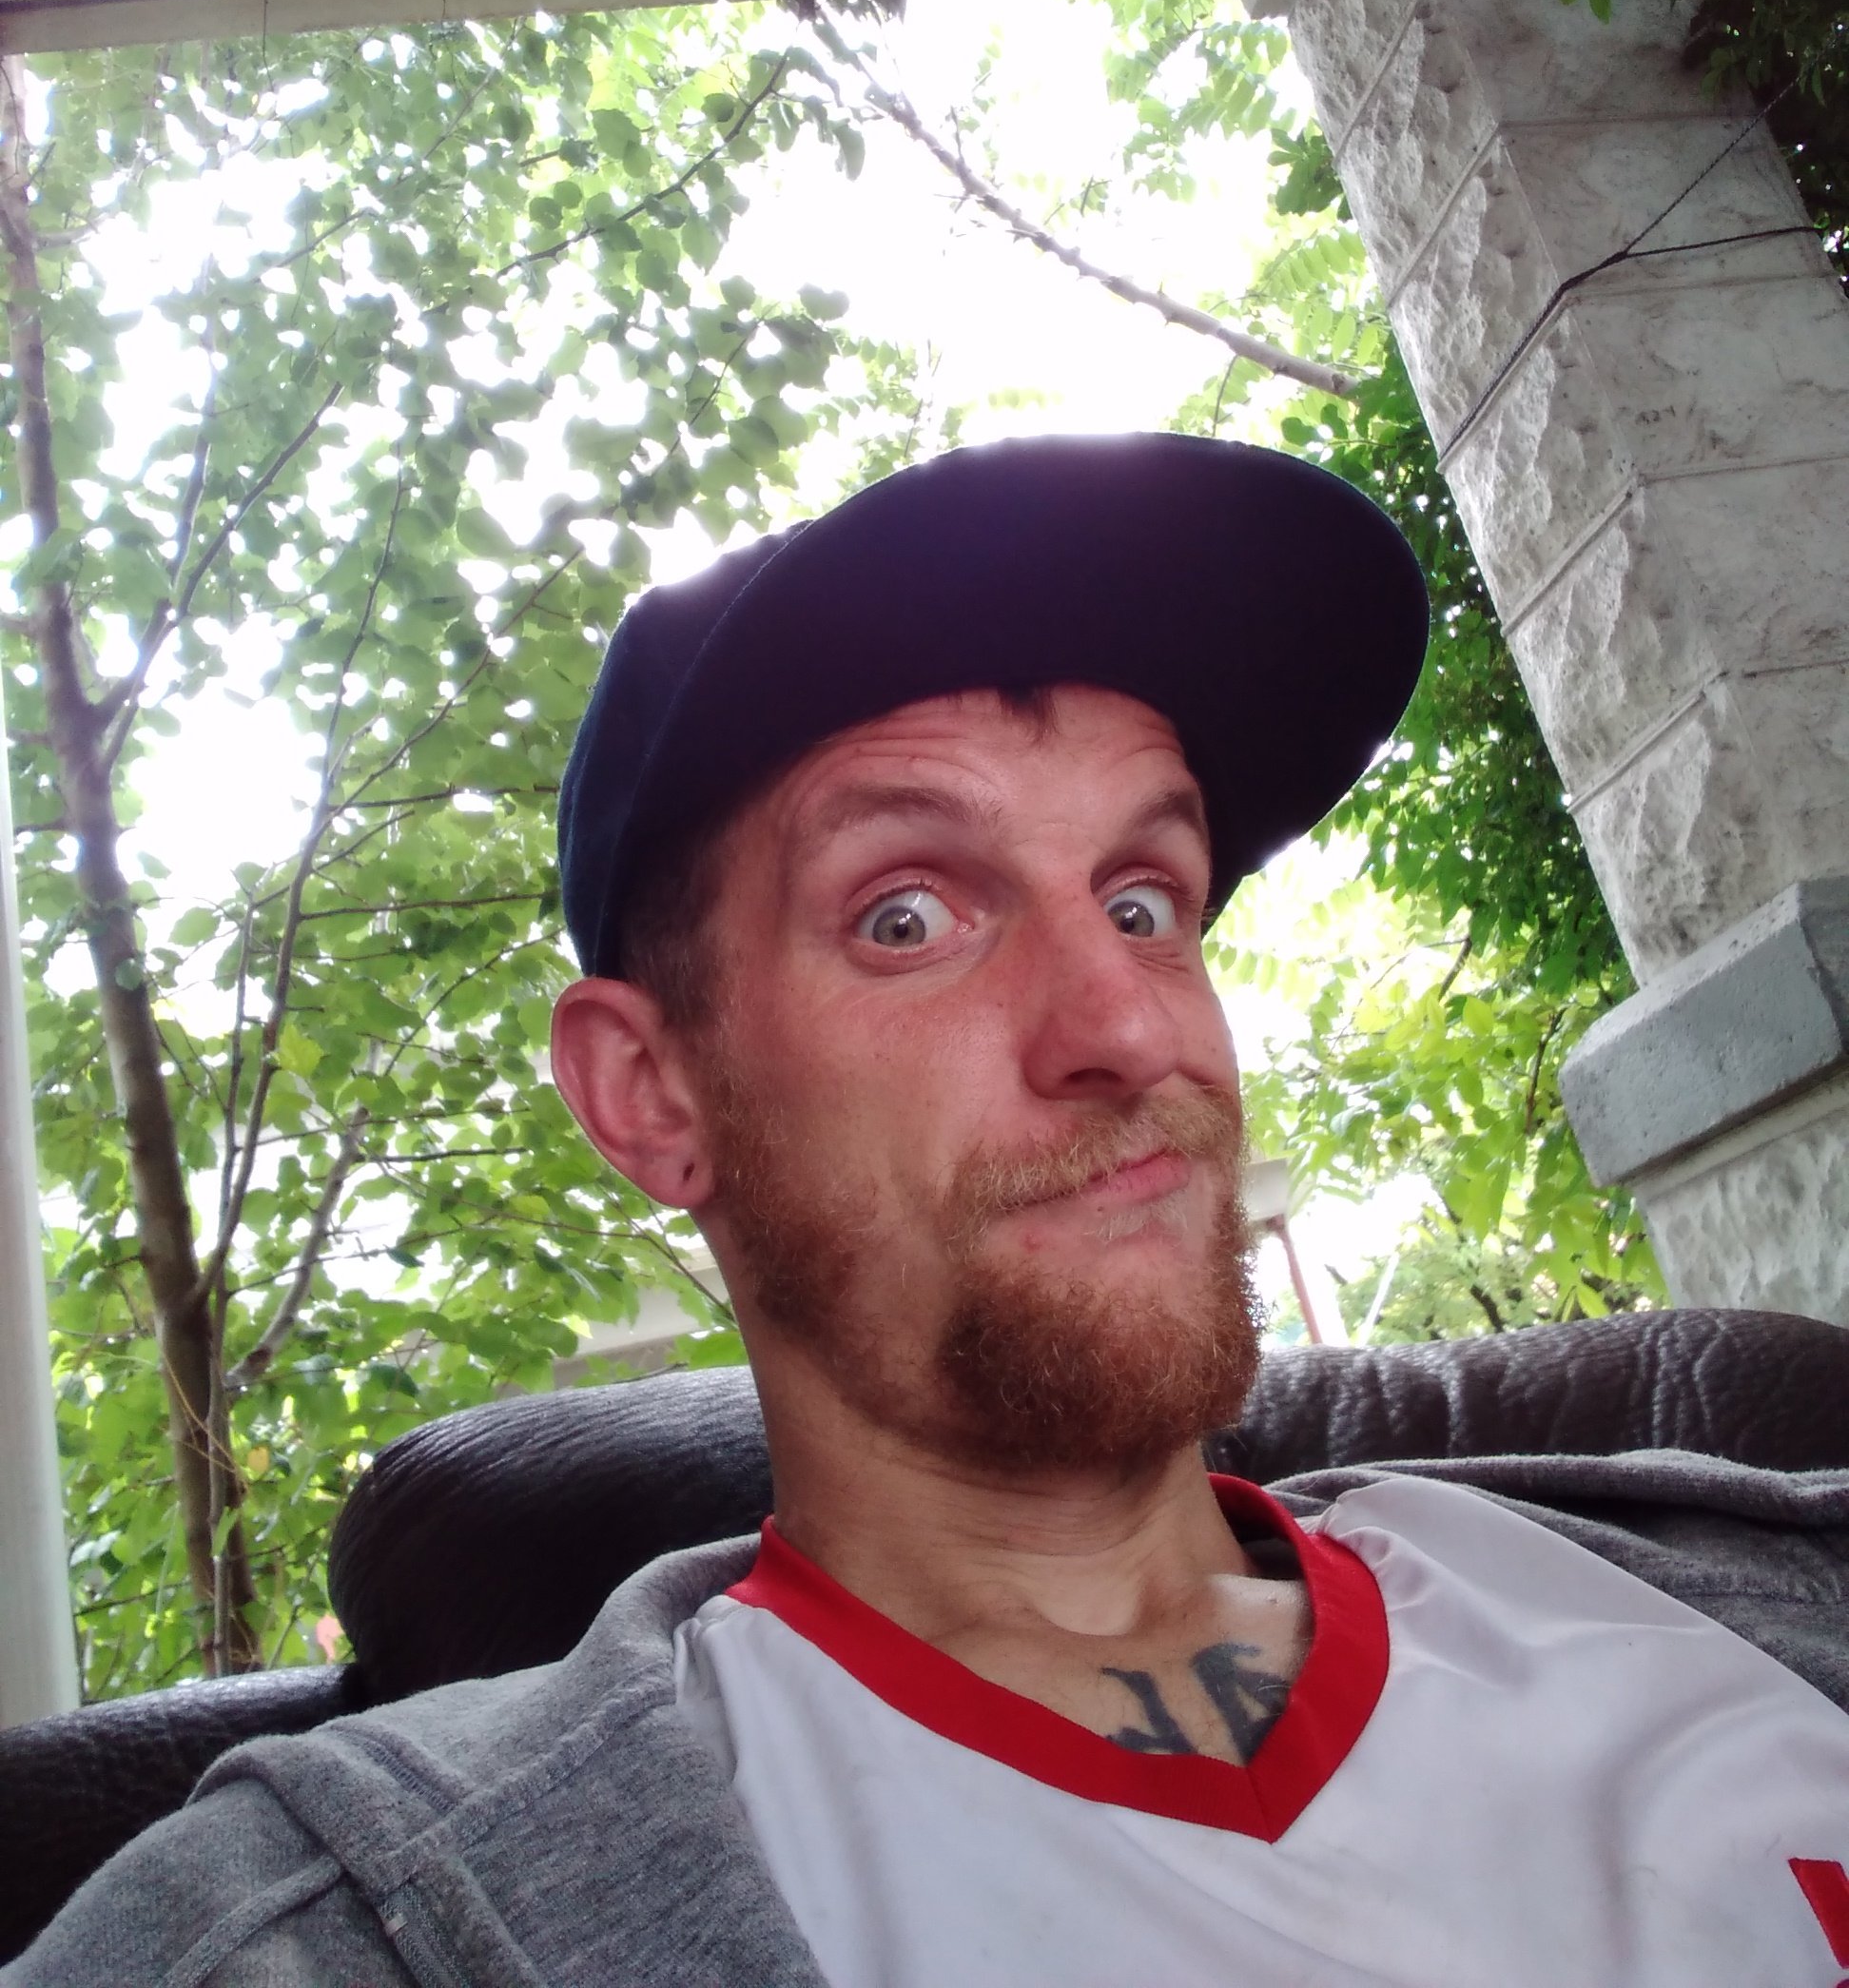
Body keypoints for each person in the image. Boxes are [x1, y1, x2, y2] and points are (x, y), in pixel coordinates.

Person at [12, 434, 1849, 1988]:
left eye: (1145, 898)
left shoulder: (1749, 1590)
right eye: (908, 915)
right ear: (651, 1093)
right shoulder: (346, 1925)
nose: (1130, 1025)